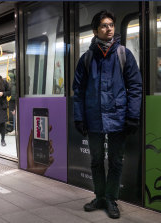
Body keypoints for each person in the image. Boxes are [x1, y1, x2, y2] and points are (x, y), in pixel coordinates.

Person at [73, 11, 142, 219]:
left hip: (118, 118)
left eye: (111, 24)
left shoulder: (123, 54)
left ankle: (111, 199)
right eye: (104, 25)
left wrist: (132, 115)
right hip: (94, 118)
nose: (109, 28)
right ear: (95, 30)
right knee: (95, 161)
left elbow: (135, 86)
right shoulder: (86, 59)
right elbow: (78, 92)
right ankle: (100, 196)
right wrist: (79, 117)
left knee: (115, 161)